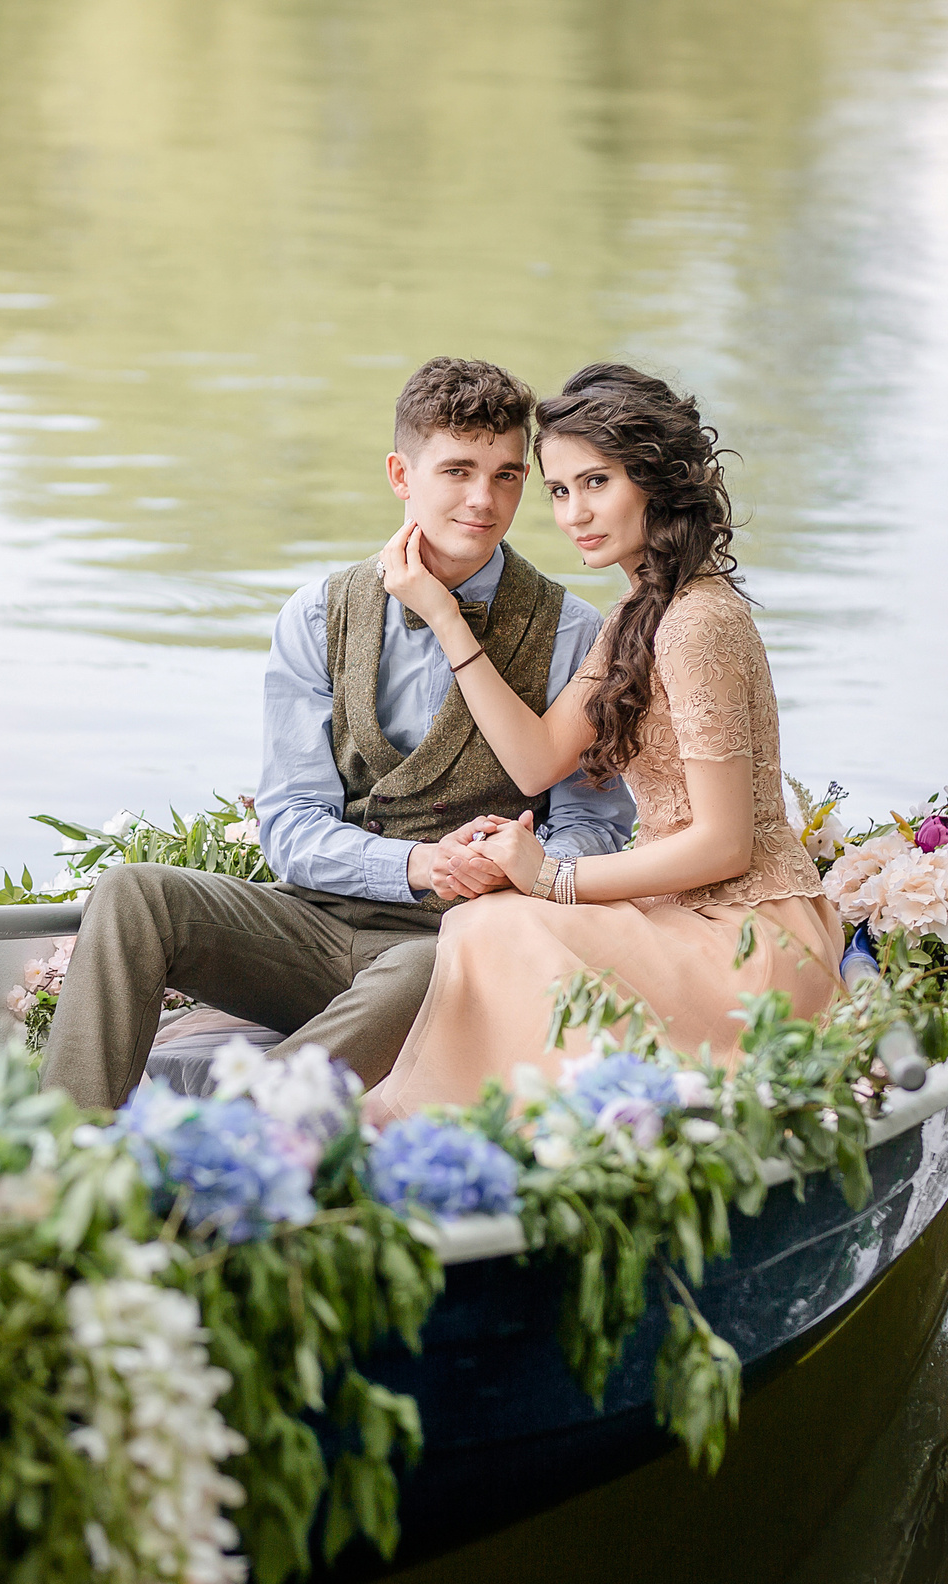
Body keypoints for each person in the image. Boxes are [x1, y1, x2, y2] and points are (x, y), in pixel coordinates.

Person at [40, 358, 636, 1112]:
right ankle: (60, 1146)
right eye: (457, 470)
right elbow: (288, 824)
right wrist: (419, 863)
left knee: (440, 965)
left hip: (452, 945)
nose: (484, 500)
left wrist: (524, 861)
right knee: (132, 893)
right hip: (310, 928)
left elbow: (595, 830)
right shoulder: (318, 614)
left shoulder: (576, 635)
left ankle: (218, 1137)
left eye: (509, 475)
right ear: (400, 473)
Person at [359, 364, 843, 1123]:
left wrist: (553, 878)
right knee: (490, 923)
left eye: (597, 483)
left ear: (654, 479)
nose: (574, 512)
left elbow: (725, 845)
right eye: (557, 490)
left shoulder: (698, 622)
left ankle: (510, 1134)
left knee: (496, 924)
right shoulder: (637, 615)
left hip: (751, 940)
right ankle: (507, 1130)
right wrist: (445, 614)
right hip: (684, 911)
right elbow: (536, 759)